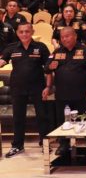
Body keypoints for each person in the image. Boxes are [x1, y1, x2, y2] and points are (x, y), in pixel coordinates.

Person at [0, 23, 51, 157]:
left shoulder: (41, 47)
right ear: (17, 33)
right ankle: (17, 145)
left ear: (32, 32)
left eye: (27, 31)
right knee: (18, 117)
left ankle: (44, 143)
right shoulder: (11, 48)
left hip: (38, 87)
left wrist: (48, 86)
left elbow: (49, 68)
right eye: (21, 32)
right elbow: (2, 61)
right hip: (17, 87)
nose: (24, 34)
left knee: (42, 116)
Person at [46, 26, 86, 156]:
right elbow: (46, 68)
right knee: (63, 121)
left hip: (82, 94)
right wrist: (50, 67)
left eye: (67, 36)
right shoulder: (56, 52)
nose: (64, 39)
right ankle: (64, 144)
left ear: (75, 36)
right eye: (62, 37)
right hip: (62, 95)